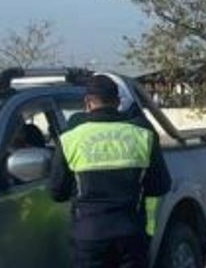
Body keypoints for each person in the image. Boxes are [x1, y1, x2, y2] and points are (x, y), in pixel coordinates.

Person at [49, 74, 172, 268]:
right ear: (117, 102)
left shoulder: (69, 140)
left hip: (89, 236)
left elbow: (57, 193)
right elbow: (161, 186)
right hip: (131, 234)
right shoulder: (143, 136)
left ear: (88, 103)